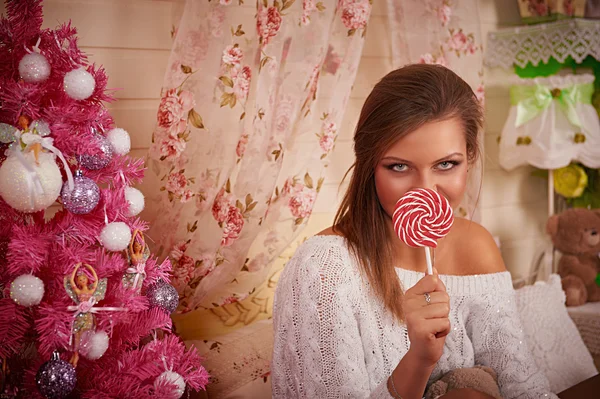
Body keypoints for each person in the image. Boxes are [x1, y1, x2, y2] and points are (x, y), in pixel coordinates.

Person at [271, 64, 557, 399]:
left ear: (470, 157)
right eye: (399, 167)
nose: (425, 191)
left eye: (446, 164)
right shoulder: (322, 269)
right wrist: (418, 360)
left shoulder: (476, 245)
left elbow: (523, 386)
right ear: (369, 166)